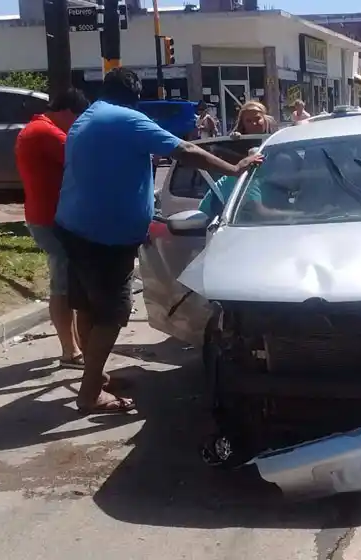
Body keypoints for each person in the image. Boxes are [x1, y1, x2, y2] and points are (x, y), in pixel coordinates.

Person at [53, 68, 264, 415]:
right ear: (134, 97)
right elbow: (183, 150)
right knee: (112, 313)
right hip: (107, 236)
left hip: (74, 226)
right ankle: (90, 393)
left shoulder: (89, 116)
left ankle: (95, 374)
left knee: (87, 305)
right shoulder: (128, 119)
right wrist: (234, 169)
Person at [15, 88, 90, 370]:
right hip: (51, 219)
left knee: (65, 284)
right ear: (68, 111)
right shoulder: (47, 134)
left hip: (44, 217)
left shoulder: (35, 129)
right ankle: (71, 352)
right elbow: (84, 158)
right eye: (78, 118)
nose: (78, 124)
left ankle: (74, 347)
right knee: (62, 287)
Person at [199, 101, 276, 220]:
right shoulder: (237, 146)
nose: (254, 123)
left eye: (257, 119)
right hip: (225, 201)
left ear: (265, 118)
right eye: (248, 121)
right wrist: (235, 140)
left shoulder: (278, 139)